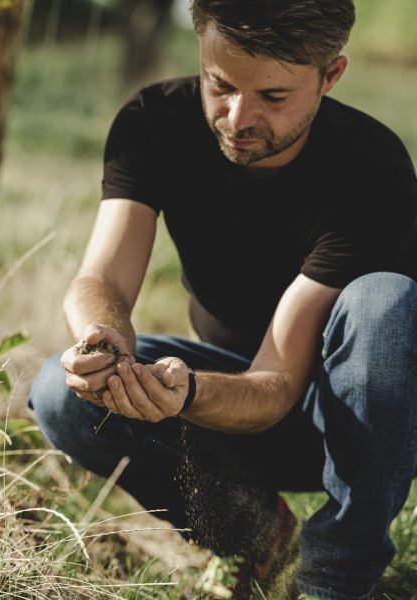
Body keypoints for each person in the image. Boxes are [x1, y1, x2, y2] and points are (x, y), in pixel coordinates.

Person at [28, 0, 417, 598]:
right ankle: (263, 543)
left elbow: (278, 384)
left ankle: (335, 574)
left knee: (383, 303)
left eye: (274, 97)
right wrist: (102, 342)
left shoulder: (373, 167)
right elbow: (99, 279)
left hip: (353, 417)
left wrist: (187, 392)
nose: (238, 116)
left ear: (330, 76)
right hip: (233, 399)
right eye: (221, 84)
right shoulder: (152, 121)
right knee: (60, 394)